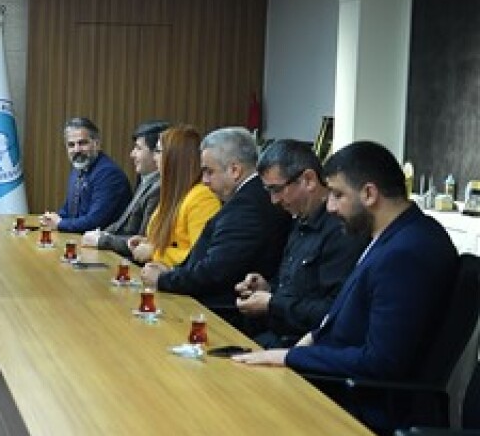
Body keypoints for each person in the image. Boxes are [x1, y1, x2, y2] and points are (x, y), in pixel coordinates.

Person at [236, 141, 458, 382]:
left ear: (369, 194)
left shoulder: (405, 253)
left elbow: (380, 362)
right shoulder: (394, 236)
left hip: (349, 394)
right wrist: (309, 341)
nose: (330, 206)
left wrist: (291, 357)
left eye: (337, 195)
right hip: (326, 367)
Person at [141, 126, 289, 321]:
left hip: (223, 314)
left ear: (235, 170)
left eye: (209, 172)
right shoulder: (245, 198)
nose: (204, 180)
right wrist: (171, 271)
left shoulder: (248, 207)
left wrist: (163, 279)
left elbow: (215, 271)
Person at [234, 140, 366, 349]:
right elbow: (299, 289)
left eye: (277, 189)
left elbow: (333, 313)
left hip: (303, 349)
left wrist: (272, 304)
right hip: (275, 338)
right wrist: (267, 288)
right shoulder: (300, 219)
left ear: (309, 180)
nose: (274, 200)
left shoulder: (341, 230)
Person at [126, 124, 221, 268]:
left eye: (158, 151)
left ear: (175, 158)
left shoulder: (202, 198)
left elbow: (200, 256)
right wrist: (149, 243)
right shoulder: (174, 193)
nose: (154, 157)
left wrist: (154, 252)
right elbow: (172, 242)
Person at [82, 120, 168, 257]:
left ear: (156, 152)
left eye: (138, 148)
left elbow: (142, 240)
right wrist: (101, 234)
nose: (132, 154)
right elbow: (123, 223)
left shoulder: (160, 188)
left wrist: (102, 240)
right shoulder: (145, 180)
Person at [39, 117, 131, 234]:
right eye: (71, 145)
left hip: (105, 243)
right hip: (80, 239)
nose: (76, 150)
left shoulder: (109, 174)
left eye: (82, 143)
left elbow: (94, 222)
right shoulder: (79, 167)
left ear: (97, 144)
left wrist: (60, 223)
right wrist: (52, 218)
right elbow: (69, 210)